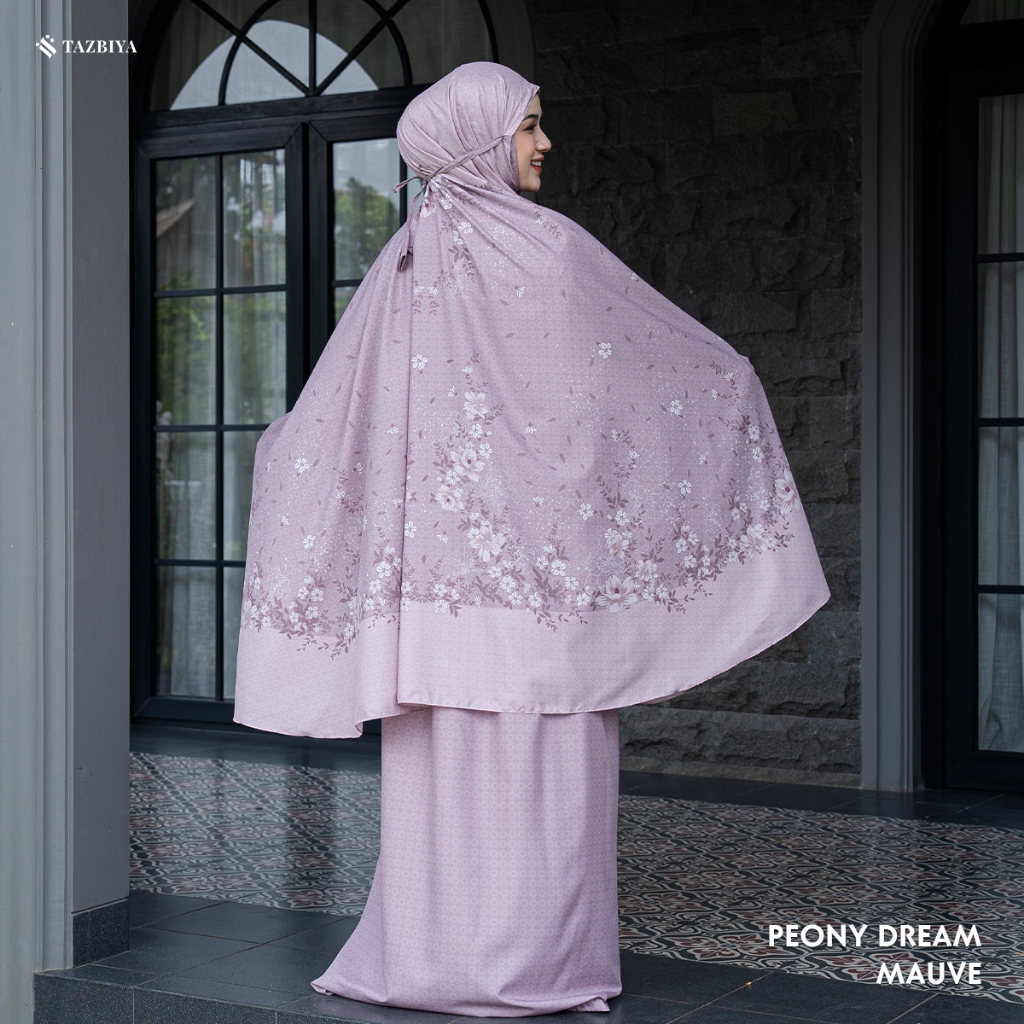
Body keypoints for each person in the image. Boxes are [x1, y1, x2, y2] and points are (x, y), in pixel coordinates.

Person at [233, 61, 829, 1016]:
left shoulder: (405, 267)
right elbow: (612, 388)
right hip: (538, 589)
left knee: (453, 785)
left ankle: (434, 963)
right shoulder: (539, 253)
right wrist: (728, 380)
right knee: (544, 784)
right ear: (478, 140)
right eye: (528, 126)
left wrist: (284, 455)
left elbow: (352, 413)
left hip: (440, 601)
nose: (544, 143)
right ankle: (534, 970)